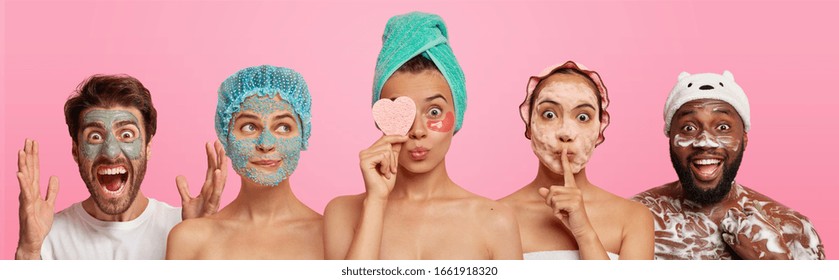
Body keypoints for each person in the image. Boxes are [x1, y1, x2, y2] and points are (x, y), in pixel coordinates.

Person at [323, 12, 522, 260]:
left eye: (434, 111)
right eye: (402, 112)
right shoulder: (342, 214)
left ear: (457, 114)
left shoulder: (496, 220)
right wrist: (375, 202)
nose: (418, 130)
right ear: (381, 117)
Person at [15, 74, 223, 260]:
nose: (111, 152)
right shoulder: (49, 236)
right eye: (94, 137)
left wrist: (202, 245)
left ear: (147, 147)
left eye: (127, 135)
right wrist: (28, 250)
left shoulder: (182, 228)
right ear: (76, 151)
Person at [632, 71, 825, 259]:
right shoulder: (629, 220)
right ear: (670, 136)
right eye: (689, 128)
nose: (705, 141)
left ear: (744, 139)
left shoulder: (794, 230)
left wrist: (775, 262)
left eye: (722, 127)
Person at [500, 61, 654, 260]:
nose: (566, 133)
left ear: (600, 130)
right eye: (549, 114)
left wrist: (584, 232)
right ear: (529, 125)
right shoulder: (496, 217)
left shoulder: (633, 218)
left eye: (582, 117)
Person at [166, 65, 322, 259]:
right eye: (249, 127)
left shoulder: (330, 236)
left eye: (283, 127)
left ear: (303, 135)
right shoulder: (190, 238)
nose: (266, 144)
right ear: (226, 137)